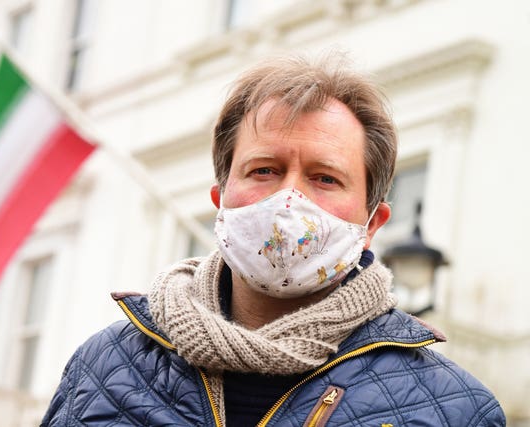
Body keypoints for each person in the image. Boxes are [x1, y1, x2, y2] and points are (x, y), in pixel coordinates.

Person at [41, 55, 505, 426]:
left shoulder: (453, 410)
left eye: (325, 178)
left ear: (373, 224)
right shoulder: (105, 366)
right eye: (265, 170)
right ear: (220, 199)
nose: (289, 201)